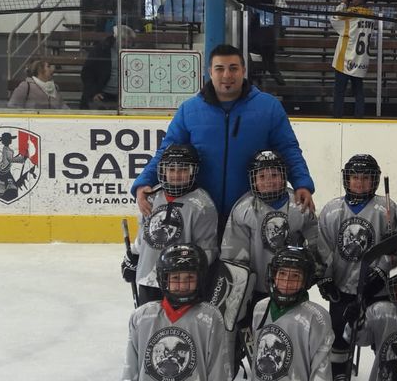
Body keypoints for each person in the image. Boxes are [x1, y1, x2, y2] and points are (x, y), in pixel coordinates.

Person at [130, 44, 315, 249]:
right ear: (210, 72)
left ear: (243, 71)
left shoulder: (268, 107)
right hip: (202, 213)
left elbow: (288, 149)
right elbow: (166, 152)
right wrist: (144, 181)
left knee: (245, 268)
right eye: (219, 69)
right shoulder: (190, 110)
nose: (227, 75)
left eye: (233, 68)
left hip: (250, 214)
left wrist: (302, 183)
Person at [110, 244, 231, 381]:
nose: (182, 285)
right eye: (175, 278)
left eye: (189, 278)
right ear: (163, 279)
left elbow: (218, 365)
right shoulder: (143, 316)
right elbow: (132, 360)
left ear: (200, 278)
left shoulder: (210, 317)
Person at [248, 246, 365, 381]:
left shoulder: (316, 316)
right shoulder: (260, 308)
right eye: (282, 274)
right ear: (273, 275)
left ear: (306, 281)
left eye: (295, 276)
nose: (286, 282)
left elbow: (320, 361)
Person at [219, 149, 319, 371]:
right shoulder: (244, 208)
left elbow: (315, 240)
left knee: (291, 329)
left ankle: (295, 368)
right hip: (255, 289)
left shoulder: (298, 204)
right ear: (253, 180)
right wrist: (240, 291)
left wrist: (315, 269)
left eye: (275, 175)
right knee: (249, 327)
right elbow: (233, 256)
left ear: (284, 176)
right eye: (262, 176)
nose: (269, 181)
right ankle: (238, 360)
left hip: (291, 285)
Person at [316, 154, 397, 381]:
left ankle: (386, 374)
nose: (360, 183)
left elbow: (393, 248)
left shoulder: (386, 209)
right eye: (355, 177)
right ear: (346, 179)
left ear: (374, 181)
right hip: (342, 287)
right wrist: (325, 277)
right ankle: (338, 378)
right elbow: (324, 248)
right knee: (338, 332)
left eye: (365, 178)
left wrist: (381, 272)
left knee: (380, 332)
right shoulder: (332, 210)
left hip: (376, 289)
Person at [122, 144, 219, 306]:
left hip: (181, 284)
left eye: (183, 170)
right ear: (163, 171)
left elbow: (207, 251)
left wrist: (190, 270)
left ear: (193, 171)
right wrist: (133, 256)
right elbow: (145, 234)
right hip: (148, 279)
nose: (176, 175)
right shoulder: (152, 196)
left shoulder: (203, 205)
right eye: (171, 169)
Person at [330, 0, 375, 118]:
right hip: (361, 59)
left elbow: (335, 19)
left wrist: (343, 3)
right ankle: (359, 117)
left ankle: (337, 117)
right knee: (358, 91)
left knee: (339, 91)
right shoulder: (371, 15)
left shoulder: (351, 14)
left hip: (346, 58)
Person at [246, 0, 288, 87]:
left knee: (258, 42)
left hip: (257, 11)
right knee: (268, 41)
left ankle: (261, 68)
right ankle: (270, 67)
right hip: (269, 10)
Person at [80, 24, 133, 110]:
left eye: (130, 42)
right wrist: (94, 93)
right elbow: (87, 73)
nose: (129, 44)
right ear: (117, 39)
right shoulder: (100, 50)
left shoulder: (131, 53)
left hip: (123, 96)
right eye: (126, 41)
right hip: (102, 94)